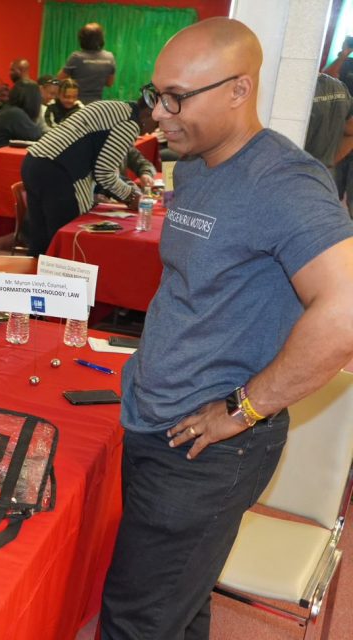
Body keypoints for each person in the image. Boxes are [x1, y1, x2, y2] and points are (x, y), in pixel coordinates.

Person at [102, 18, 353, 639]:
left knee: (137, 621)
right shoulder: (196, 165)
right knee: (179, 605)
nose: (159, 113)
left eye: (177, 98)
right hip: (159, 421)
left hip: (206, 449)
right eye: (155, 94)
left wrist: (244, 409)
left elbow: (345, 308)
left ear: (240, 90)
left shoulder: (283, 183)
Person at [21, 96, 157, 255]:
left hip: (35, 161)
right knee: (65, 243)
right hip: (58, 172)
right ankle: (59, 279)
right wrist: (131, 196)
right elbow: (104, 173)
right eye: (157, 123)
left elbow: (99, 164)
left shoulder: (117, 107)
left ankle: (36, 277)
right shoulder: (130, 123)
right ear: (148, 114)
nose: (152, 131)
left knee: (41, 240)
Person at [58, 22, 116, 103]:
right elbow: (109, 83)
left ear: (82, 39)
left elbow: (60, 80)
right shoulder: (109, 57)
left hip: (75, 104)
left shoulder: (76, 57)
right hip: (96, 105)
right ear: (101, 39)